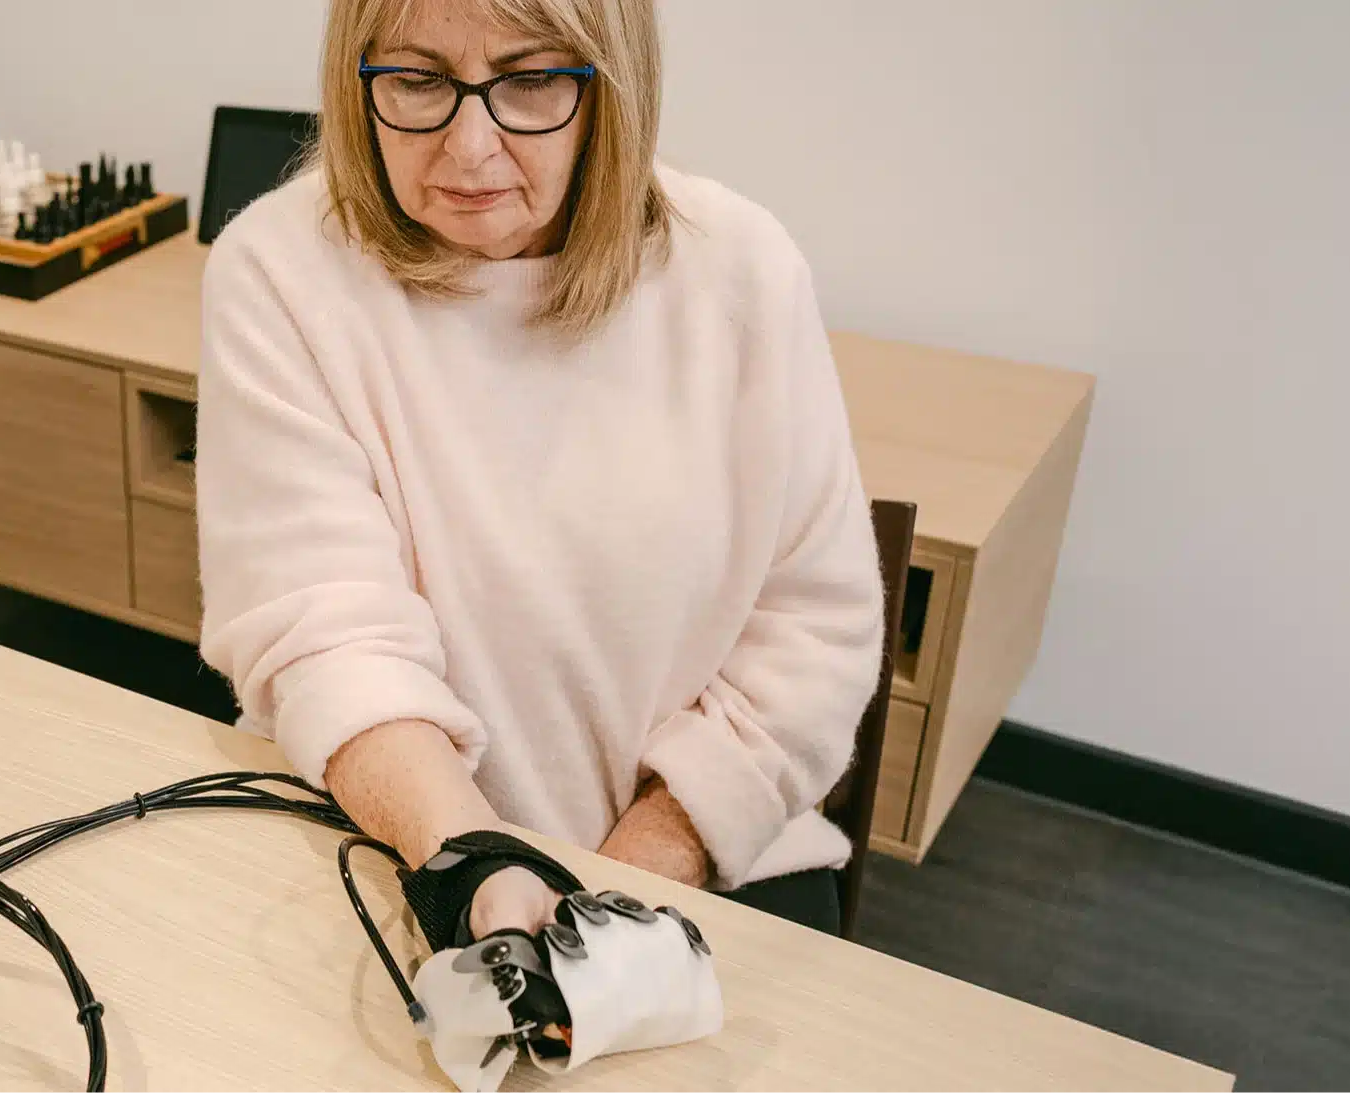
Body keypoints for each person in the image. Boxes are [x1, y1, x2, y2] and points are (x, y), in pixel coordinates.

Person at [197, 0, 884, 939]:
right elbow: (331, 642)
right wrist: (475, 863)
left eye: (528, 81)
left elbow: (811, 633)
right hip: (396, 835)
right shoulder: (281, 271)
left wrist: (621, 882)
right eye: (418, 80)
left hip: (712, 860)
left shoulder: (741, 272)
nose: (469, 147)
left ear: (613, 85)